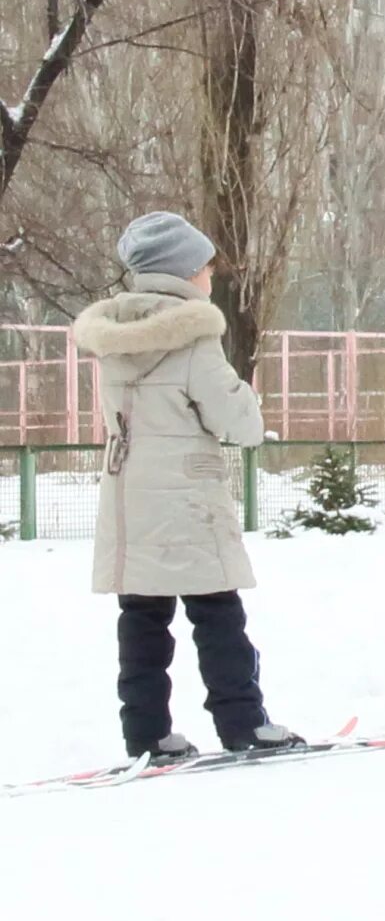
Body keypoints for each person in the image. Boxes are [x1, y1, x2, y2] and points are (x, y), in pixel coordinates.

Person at [71, 212, 300, 760]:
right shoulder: (196, 336)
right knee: (218, 615)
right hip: (188, 499)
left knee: (142, 620)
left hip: (130, 496)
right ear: (184, 272)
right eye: (205, 268)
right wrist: (246, 398)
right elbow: (237, 422)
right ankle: (243, 722)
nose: (210, 278)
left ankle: (146, 732)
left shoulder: (114, 338)